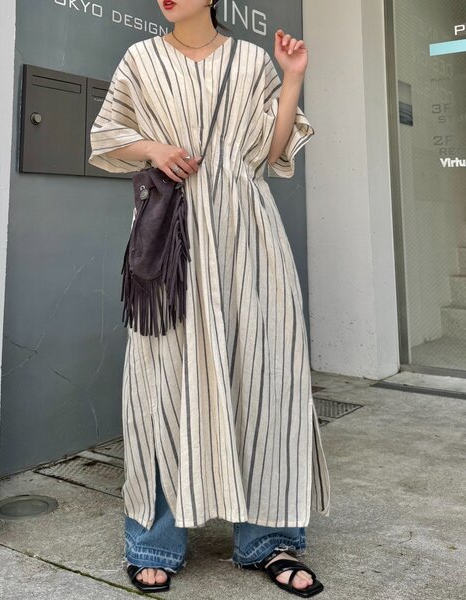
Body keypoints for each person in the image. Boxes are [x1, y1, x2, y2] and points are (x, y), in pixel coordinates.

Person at [88, 0, 331, 596]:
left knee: (264, 381)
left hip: (247, 238)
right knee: (159, 387)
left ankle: (270, 540)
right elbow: (107, 135)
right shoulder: (140, 58)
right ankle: (154, 542)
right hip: (170, 241)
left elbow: (270, 153)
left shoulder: (249, 61)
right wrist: (154, 149)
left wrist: (292, 78)